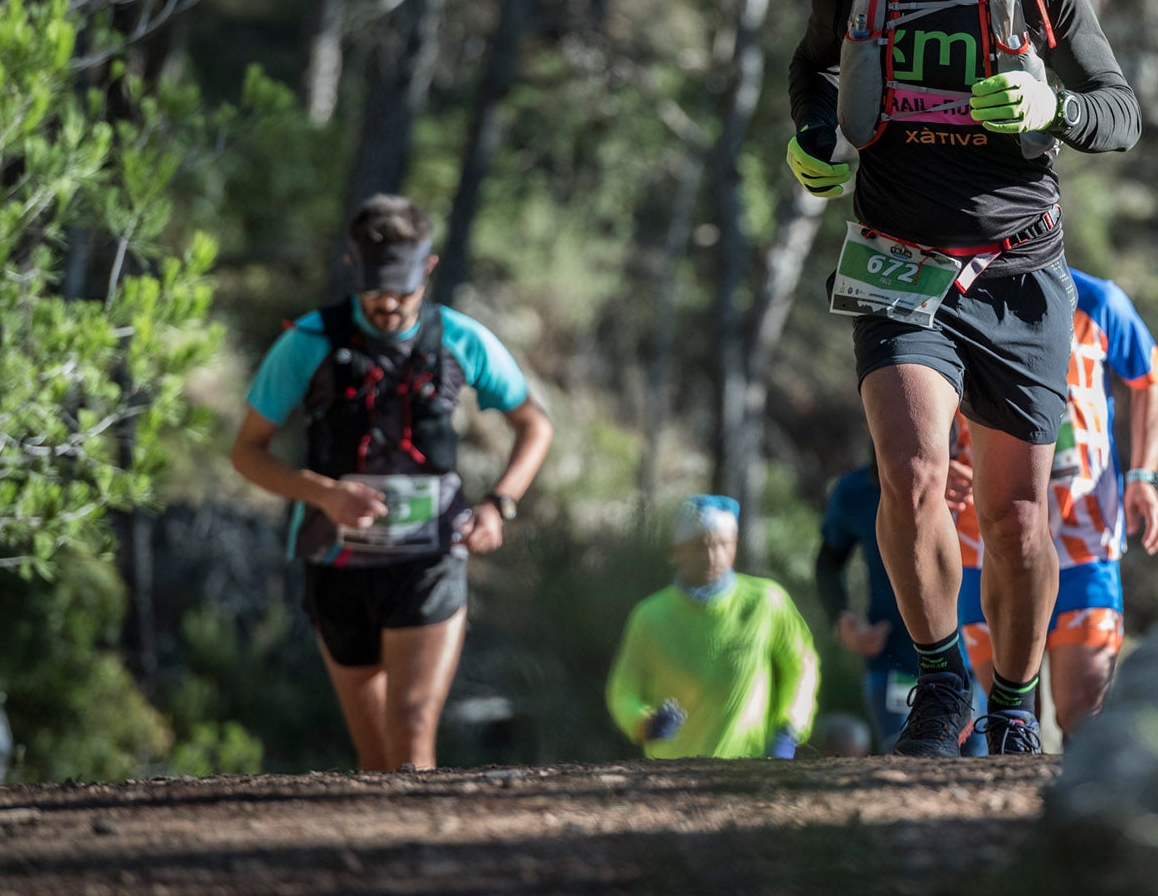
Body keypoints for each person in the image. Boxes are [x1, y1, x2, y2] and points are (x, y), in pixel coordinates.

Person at [786, 0, 1140, 756]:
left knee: (1018, 515)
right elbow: (809, 68)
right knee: (907, 472)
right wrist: (812, 136)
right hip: (897, 266)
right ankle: (941, 679)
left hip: (1021, 273)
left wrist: (1053, 111)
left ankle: (1015, 703)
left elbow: (1118, 109)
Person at [228, 194, 554, 771]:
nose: (388, 303)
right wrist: (324, 493)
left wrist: (500, 504)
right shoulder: (309, 341)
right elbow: (247, 453)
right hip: (336, 566)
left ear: (428, 269)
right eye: (375, 287)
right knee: (375, 755)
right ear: (353, 267)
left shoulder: (460, 338)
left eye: (402, 288)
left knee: (410, 726)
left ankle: (424, 857)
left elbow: (534, 426)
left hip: (429, 560)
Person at [953, 269, 1158, 739]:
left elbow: (1152, 379)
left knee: (1082, 708)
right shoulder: (958, 291)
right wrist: (940, 463)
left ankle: (1082, 809)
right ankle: (1003, 810)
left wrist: (1143, 475)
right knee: (1010, 714)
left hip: (1083, 539)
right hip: (985, 541)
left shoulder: (1098, 300)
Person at [606, 495, 820, 759]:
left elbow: (801, 666)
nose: (712, 556)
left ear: (736, 544)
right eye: (699, 546)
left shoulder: (765, 602)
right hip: (670, 779)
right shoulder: (650, 616)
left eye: (723, 544)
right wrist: (644, 723)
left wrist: (789, 729)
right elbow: (623, 690)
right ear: (676, 551)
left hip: (749, 772)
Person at [815, 459, 922, 751]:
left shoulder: (969, 477)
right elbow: (828, 562)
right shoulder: (856, 490)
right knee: (907, 763)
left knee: (978, 768)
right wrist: (841, 620)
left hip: (974, 664)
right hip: (894, 661)